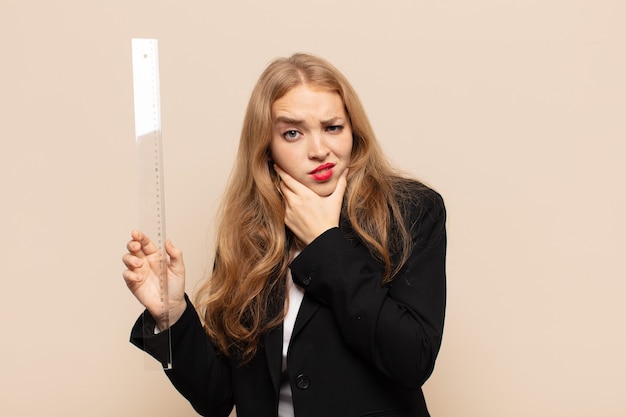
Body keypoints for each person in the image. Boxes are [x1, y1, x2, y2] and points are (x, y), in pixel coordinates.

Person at [122, 53, 446, 417]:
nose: (319, 149)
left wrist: (325, 241)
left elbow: (412, 359)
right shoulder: (249, 230)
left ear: (354, 131)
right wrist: (172, 315)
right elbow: (218, 398)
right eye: (293, 132)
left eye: (332, 127)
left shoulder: (410, 211)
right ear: (266, 145)